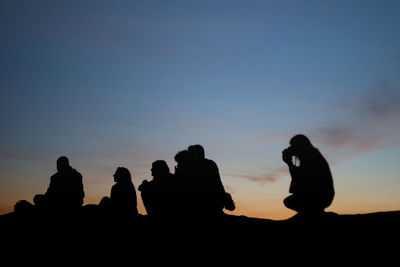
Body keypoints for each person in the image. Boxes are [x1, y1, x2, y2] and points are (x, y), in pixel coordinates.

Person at [282, 134, 335, 216]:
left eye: (293, 146)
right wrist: (290, 163)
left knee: (289, 201)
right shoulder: (311, 155)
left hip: (319, 196)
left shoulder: (311, 157)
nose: (291, 148)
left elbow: (299, 180)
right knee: (290, 201)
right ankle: (314, 213)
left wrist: (290, 163)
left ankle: (312, 214)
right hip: (321, 196)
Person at [187, 144, 235, 216]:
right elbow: (218, 183)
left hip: (208, 201)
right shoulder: (210, 163)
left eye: (191, 153)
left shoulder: (198, 166)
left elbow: (216, 182)